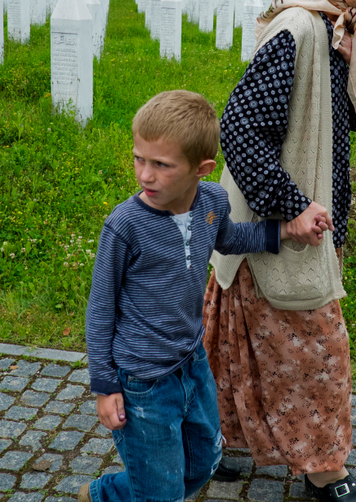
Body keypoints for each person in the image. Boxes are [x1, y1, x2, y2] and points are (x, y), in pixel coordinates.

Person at [204, 0, 356, 502]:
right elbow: (240, 127)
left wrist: (353, 51)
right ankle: (323, 472)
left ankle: (219, 444)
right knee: (318, 351)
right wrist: (293, 207)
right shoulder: (298, 31)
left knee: (240, 343)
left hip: (292, 222)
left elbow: (351, 118)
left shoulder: (335, 30)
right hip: (274, 223)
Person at [80, 90, 304, 502]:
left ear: (202, 169)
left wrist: (283, 231)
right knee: (162, 493)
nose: (144, 175)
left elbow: (230, 238)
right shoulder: (125, 226)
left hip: (191, 362)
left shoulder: (212, 202)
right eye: (138, 159)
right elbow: (100, 308)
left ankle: (117, 493)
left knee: (202, 463)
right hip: (142, 380)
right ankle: (114, 493)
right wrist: (104, 385)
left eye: (161, 165)